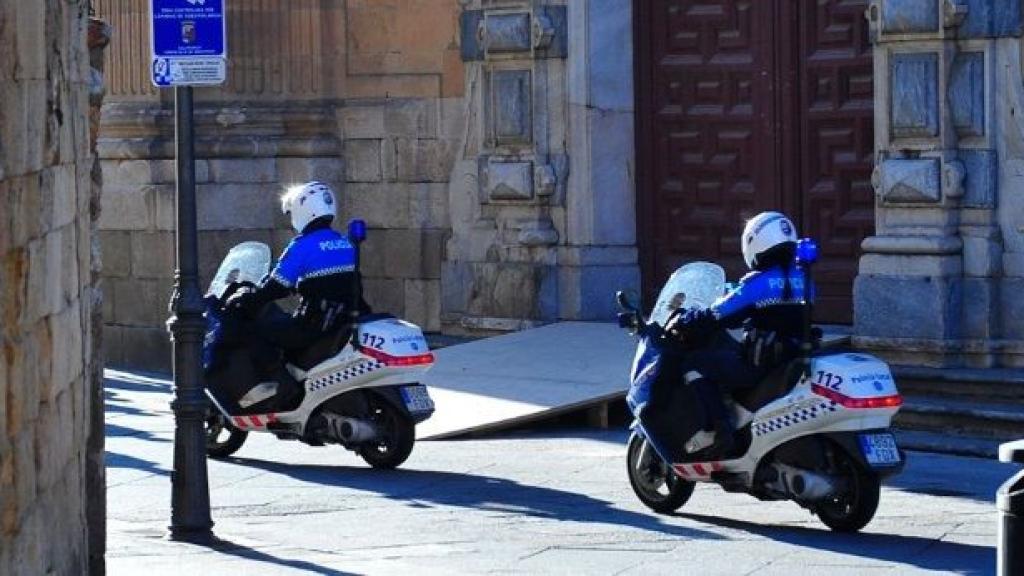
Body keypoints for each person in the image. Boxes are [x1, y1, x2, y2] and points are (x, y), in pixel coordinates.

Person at [662, 211, 811, 457]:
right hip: (790, 357)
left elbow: (720, 313)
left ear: (755, 244)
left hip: (760, 364)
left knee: (694, 363)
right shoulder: (804, 279)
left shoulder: (758, 283)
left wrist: (689, 319)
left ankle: (721, 430)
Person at [227, 181, 367, 410]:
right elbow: (329, 283)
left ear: (303, 210)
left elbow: (276, 286)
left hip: (314, 323)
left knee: (255, 331)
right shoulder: (345, 243)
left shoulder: (301, 246)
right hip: (343, 318)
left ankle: (283, 386)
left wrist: (249, 299)